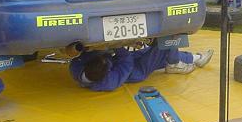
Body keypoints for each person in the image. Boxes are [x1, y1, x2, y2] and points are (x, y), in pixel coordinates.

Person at [69, 44, 213, 92]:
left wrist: (100, 50)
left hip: (122, 62)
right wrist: (117, 46)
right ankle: (176, 63)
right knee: (164, 44)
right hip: (136, 71)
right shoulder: (109, 82)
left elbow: (83, 56)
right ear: (107, 72)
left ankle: (196, 58)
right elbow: (126, 61)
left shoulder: (76, 68)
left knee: (158, 54)